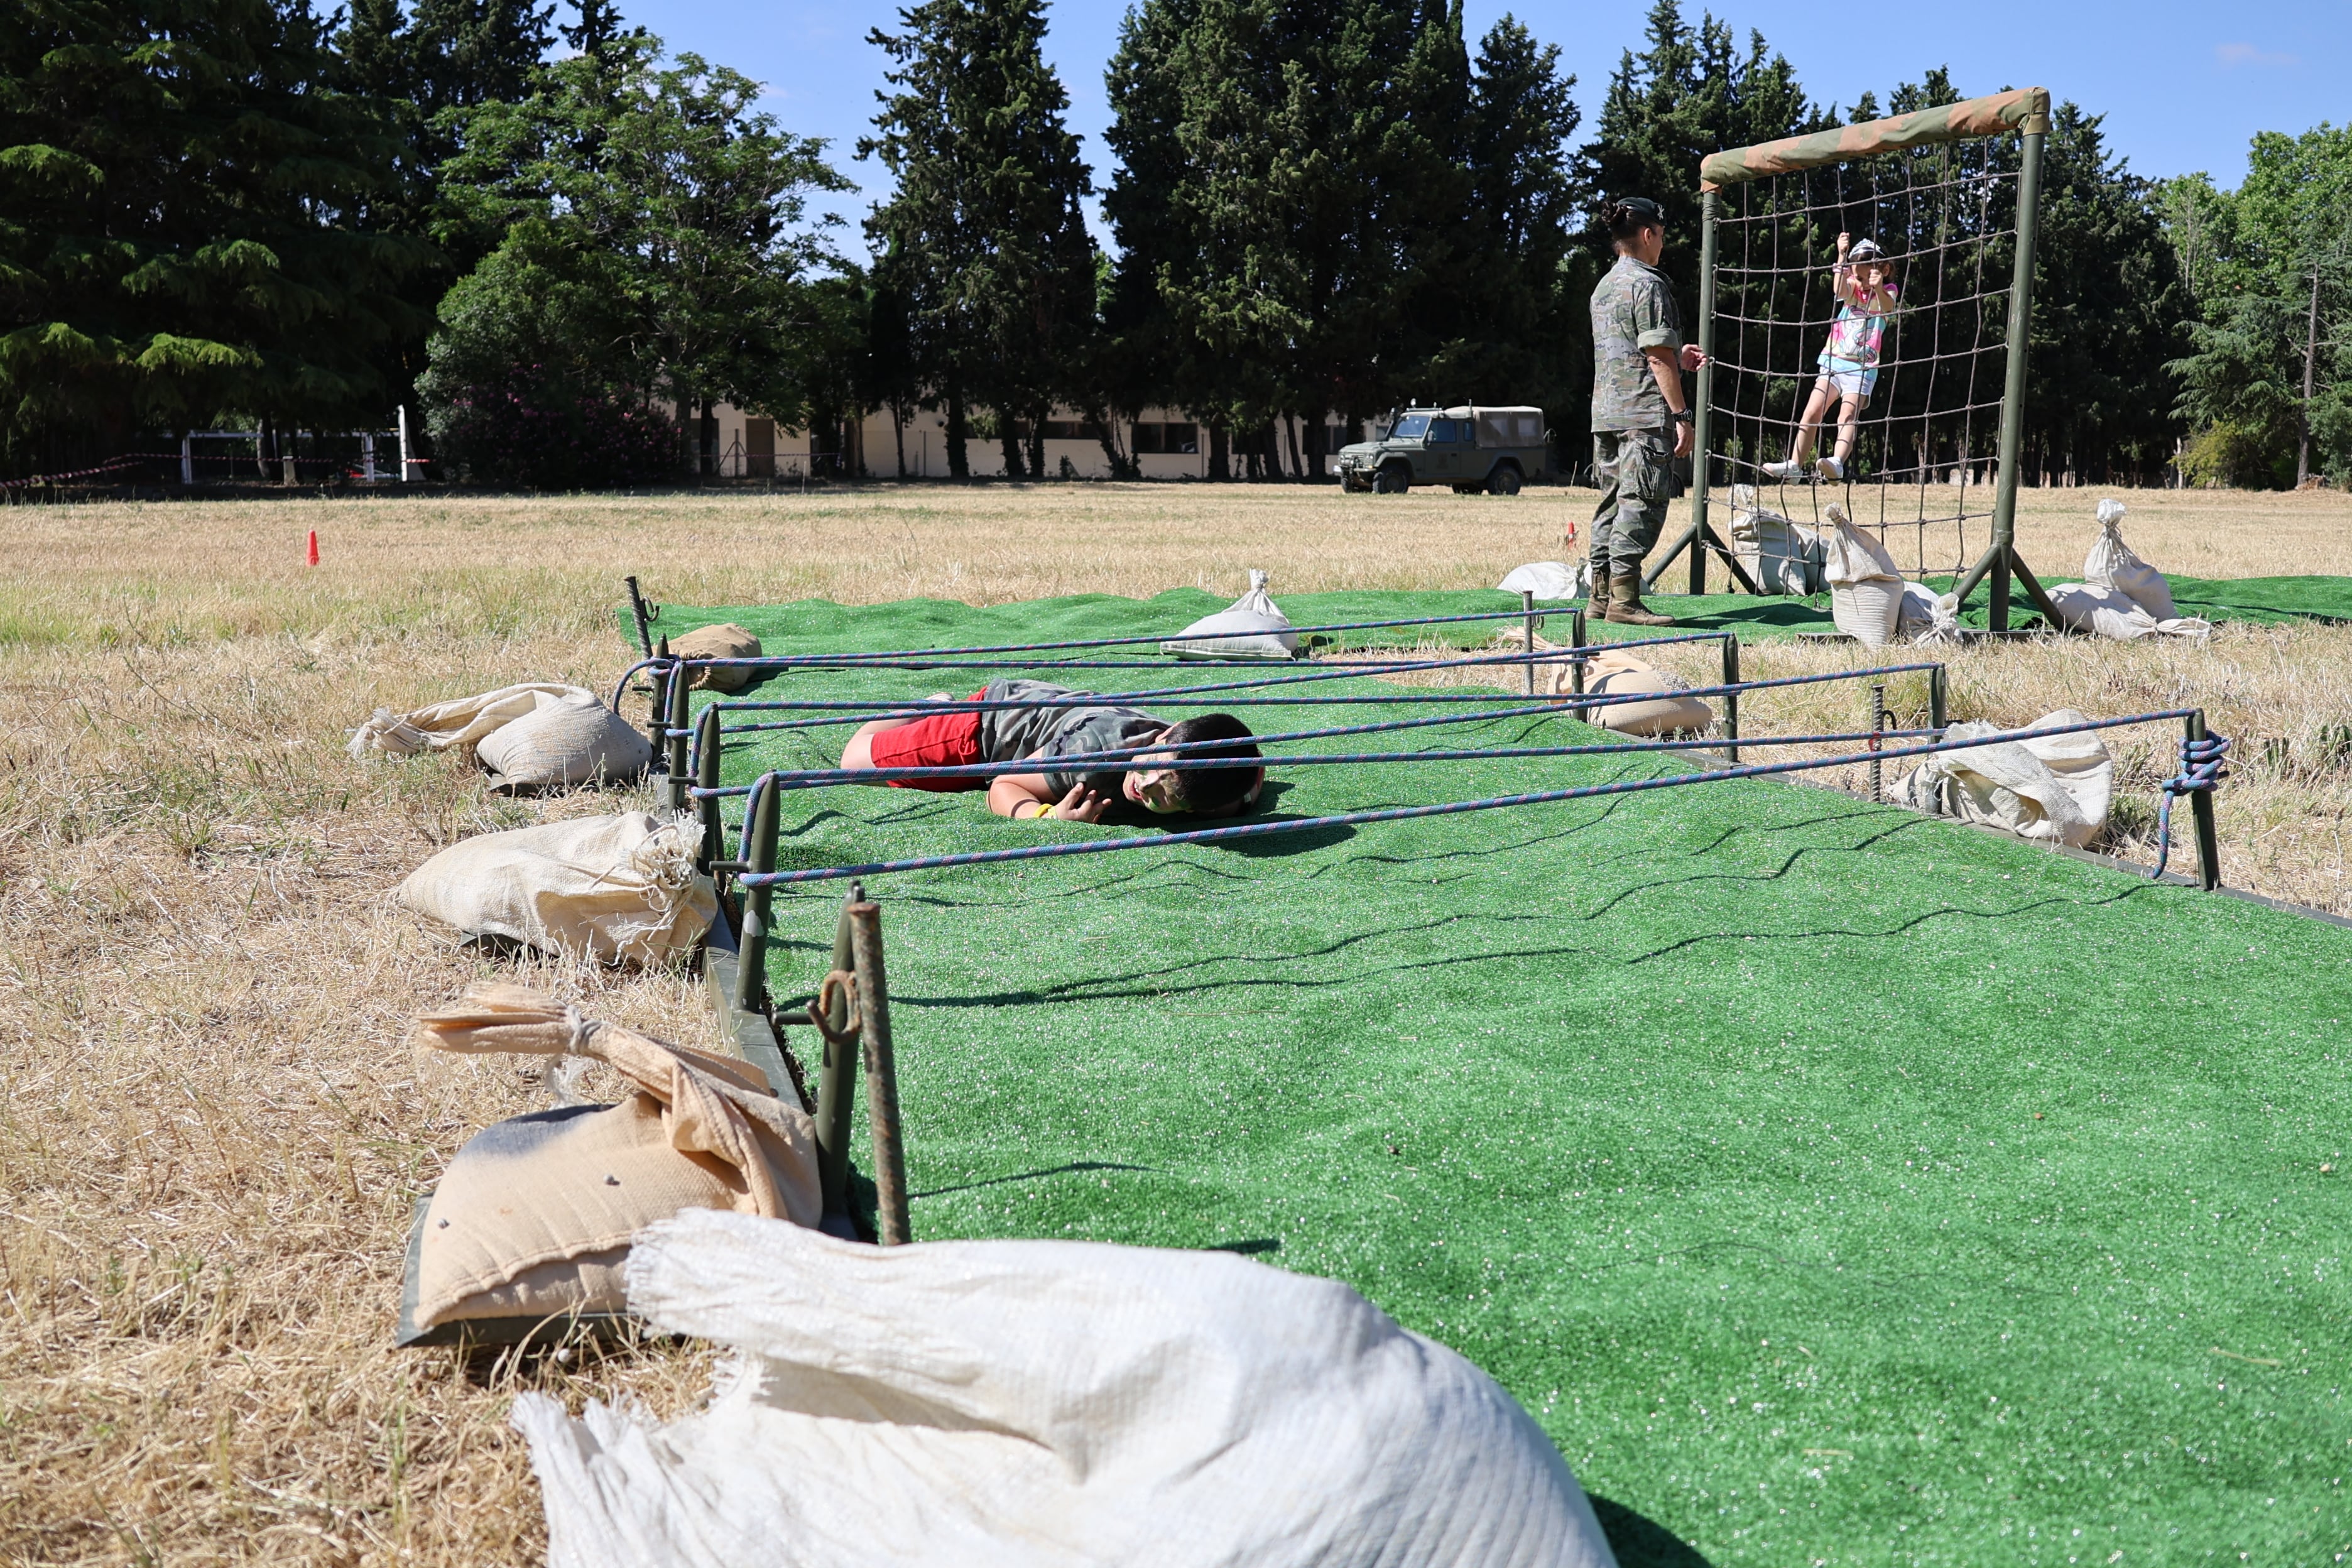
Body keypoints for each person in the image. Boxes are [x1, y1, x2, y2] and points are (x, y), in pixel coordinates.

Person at [837, 678, 1264, 822]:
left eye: (1164, 793)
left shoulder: (1212, 782)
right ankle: (928, 708)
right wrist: (1046, 815)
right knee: (853, 763)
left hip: (1058, 712)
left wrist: (1243, 798)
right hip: (986, 730)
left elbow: (1256, 770)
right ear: (1166, 735)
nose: (1143, 783)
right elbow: (1004, 785)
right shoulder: (1091, 762)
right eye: (1155, 767)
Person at [1587, 195, 1709, 628]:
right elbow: (1655, 358)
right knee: (1642, 502)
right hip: (1643, 416)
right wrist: (1682, 416)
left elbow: (1639, 354)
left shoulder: (1605, 286)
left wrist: (1678, 360)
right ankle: (1626, 599)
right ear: (1647, 234)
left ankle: (1600, 596)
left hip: (1607, 414)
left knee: (1610, 504)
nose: (1662, 244)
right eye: (1661, 235)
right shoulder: (1649, 285)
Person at [1762, 234, 1898, 484]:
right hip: (1833, 361)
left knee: (1847, 415)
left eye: (1866, 276)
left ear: (1884, 269)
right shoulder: (1853, 285)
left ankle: (1837, 463)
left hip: (1862, 367)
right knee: (1811, 412)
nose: (1861, 282)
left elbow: (1887, 308)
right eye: (1857, 276)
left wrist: (1878, 287)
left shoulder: (1887, 291)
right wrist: (1841, 256)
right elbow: (1840, 289)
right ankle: (1794, 465)